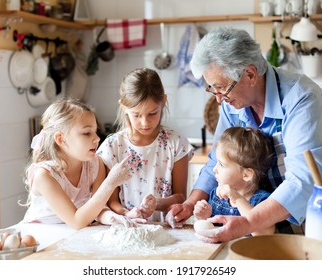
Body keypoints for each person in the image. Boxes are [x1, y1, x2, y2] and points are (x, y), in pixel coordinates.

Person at [168, 26, 322, 242]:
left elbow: (303, 181)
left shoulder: (302, 99)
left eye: (221, 88)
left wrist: (247, 223)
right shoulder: (232, 104)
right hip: (269, 209)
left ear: (250, 74)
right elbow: (215, 162)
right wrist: (190, 204)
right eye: (212, 89)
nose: (218, 99)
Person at [21, 97, 135, 230]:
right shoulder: (45, 176)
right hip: (40, 235)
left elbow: (97, 207)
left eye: (95, 131)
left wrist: (112, 217)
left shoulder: (95, 164)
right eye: (87, 133)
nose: (97, 138)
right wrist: (110, 183)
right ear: (60, 139)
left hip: (70, 234)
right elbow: (77, 221)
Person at [97, 67, 194, 222]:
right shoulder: (112, 147)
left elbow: (181, 196)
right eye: (136, 115)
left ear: (163, 101)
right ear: (123, 107)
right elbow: (111, 200)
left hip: (168, 230)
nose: (145, 122)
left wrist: (157, 203)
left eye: (152, 113)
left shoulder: (176, 144)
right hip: (127, 228)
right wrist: (127, 213)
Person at [193, 127, 275, 236]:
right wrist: (204, 217)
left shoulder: (262, 201)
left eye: (222, 164)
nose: (214, 169)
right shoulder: (216, 196)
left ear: (246, 175)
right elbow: (212, 230)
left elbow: (265, 234)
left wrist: (237, 198)